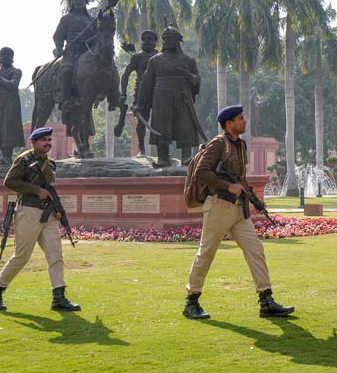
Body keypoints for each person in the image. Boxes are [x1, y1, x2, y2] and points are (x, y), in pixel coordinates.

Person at [183, 105, 294, 319]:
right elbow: (201, 172)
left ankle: (266, 300)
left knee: (255, 249)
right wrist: (227, 186)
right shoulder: (218, 144)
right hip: (218, 207)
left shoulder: (241, 145)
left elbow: (240, 179)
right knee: (206, 253)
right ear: (229, 123)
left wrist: (255, 199)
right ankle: (191, 302)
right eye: (241, 119)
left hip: (237, 209)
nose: (245, 122)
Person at [0, 127, 80, 312]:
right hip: (28, 211)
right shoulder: (24, 160)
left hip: (48, 214)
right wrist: (37, 191)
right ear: (34, 142)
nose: (47, 142)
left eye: (49, 139)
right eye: (43, 140)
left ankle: (59, 297)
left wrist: (58, 210)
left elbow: (51, 189)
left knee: (55, 254)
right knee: (22, 256)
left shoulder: (51, 164)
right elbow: (9, 182)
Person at [136, 26, 202, 167]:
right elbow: (146, 84)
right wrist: (139, 104)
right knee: (161, 128)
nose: (166, 40)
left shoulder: (188, 60)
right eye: (164, 37)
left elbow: (197, 82)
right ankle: (163, 158)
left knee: (185, 127)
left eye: (169, 37)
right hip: (161, 98)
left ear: (177, 40)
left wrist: (186, 74)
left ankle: (186, 157)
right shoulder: (155, 61)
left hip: (182, 98)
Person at [53, 0, 95, 107]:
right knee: (67, 71)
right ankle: (65, 100)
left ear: (85, 1)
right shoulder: (66, 18)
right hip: (72, 52)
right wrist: (60, 49)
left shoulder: (92, 20)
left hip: (88, 52)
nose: (78, 1)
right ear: (72, 2)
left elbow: (97, 36)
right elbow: (58, 36)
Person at [120, 30, 159, 157]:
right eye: (145, 39)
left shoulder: (160, 56)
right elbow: (125, 75)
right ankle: (142, 149)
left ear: (155, 42)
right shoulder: (137, 57)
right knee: (142, 121)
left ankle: (162, 150)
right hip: (141, 92)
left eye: (150, 39)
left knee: (161, 120)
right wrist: (123, 93)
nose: (147, 41)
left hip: (158, 91)